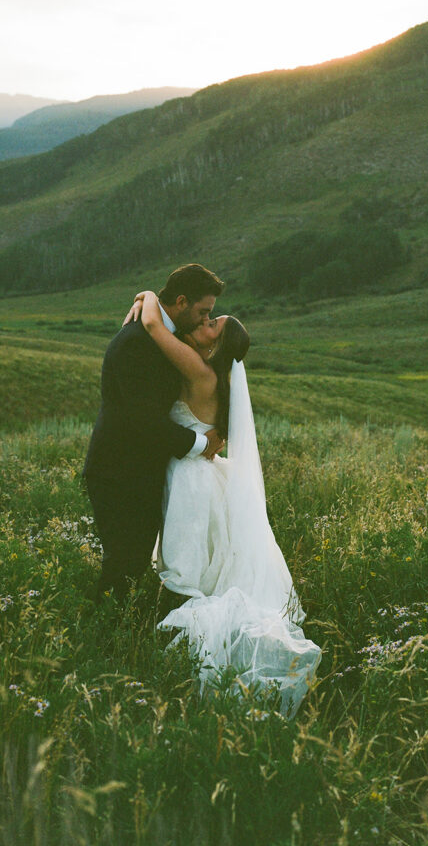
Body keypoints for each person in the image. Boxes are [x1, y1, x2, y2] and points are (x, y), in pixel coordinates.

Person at [126, 289, 322, 717]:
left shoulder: (200, 370)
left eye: (211, 324)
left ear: (214, 345)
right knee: (200, 563)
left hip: (191, 478)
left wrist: (147, 296)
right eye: (207, 318)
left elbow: (155, 326)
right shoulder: (214, 376)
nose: (203, 324)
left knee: (186, 570)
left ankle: (167, 647)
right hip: (201, 469)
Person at [83, 263, 226, 600]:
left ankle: (117, 626)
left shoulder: (157, 331)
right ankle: (105, 631)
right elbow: (142, 419)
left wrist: (146, 296)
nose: (206, 320)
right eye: (203, 311)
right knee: (124, 560)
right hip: (118, 470)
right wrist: (199, 442)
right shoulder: (138, 340)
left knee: (133, 560)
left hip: (139, 469)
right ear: (181, 301)